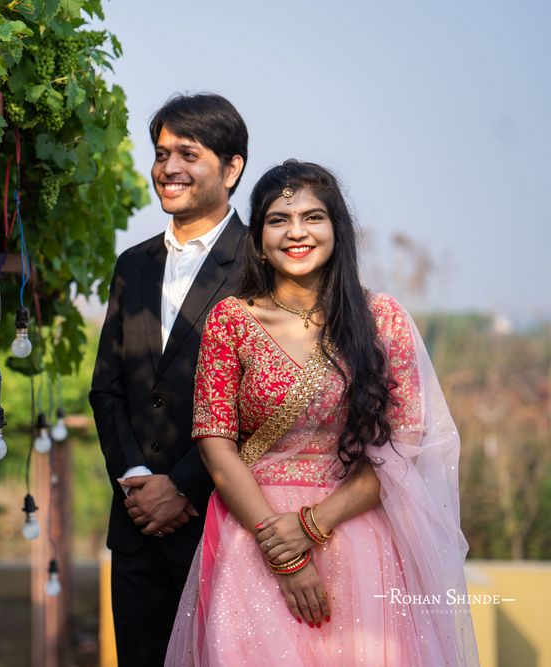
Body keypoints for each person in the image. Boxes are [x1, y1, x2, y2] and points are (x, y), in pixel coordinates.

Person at [165, 160, 479, 665]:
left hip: (359, 535)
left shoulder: (382, 320)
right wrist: (282, 552)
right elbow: (215, 442)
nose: (296, 233)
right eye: (277, 219)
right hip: (255, 532)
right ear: (259, 235)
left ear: (337, 228)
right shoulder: (232, 320)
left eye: (313, 217)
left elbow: (403, 448)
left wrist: (311, 526)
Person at [89, 93, 249, 666]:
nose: (168, 169)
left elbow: (262, 402)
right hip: (135, 526)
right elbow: (107, 388)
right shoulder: (131, 264)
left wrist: (181, 487)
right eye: (161, 153)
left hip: (224, 522)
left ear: (231, 169)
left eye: (188, 153)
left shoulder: (261, 262)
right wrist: (136, 478)